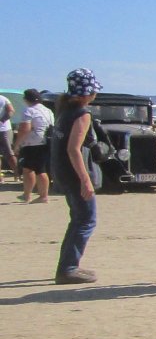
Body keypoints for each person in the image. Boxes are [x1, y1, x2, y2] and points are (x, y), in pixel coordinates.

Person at [50, 69, 102, 284]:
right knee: (86, 220)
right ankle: (68, 268)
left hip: (60, 171)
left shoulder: (64, 110)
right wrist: (85, 178)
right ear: (87, 93)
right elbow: (74, 149)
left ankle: (69, 265)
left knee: (78, 220)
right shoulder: (82, 114)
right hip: (72, 173)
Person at [13, 88, 54, 203]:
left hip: (32, 143)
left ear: (26, 99)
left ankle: (28, 195)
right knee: (41, 169)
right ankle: (43, 195)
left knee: (28, 169)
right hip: (45, 141)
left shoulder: (29, 110)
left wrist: (17, 144)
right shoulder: (48, 110)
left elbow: (24, 128)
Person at [0, 92, 15, 179]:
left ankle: (17, 174)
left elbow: (11, 111)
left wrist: (2, 120)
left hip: (4, 129)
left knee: (10, 154)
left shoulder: (3, 99)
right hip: (4, 129)